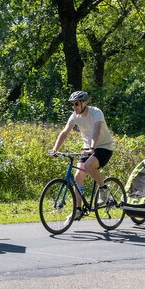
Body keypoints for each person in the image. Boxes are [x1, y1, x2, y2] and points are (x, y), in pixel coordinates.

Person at [49, 91, 114, 220]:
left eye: (77, 104)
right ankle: (78, 210)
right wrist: (55, 149)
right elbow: (65, 132)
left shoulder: (96, 113)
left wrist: (92, 148)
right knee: (78, 176)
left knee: (89, 165)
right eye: (72, 104)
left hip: (103, 147)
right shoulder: (74, 116)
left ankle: (104, 189)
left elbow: (96, 131)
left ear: (85, 103)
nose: (74, 107)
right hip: (87, 148)